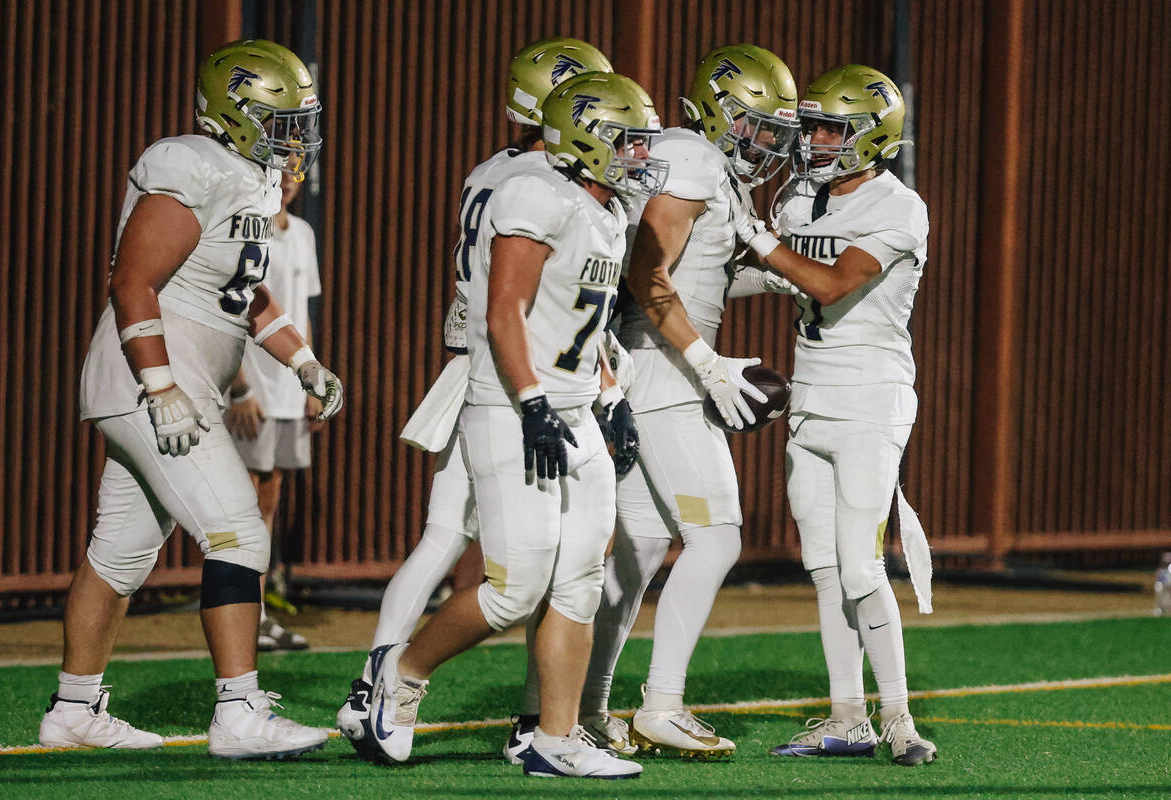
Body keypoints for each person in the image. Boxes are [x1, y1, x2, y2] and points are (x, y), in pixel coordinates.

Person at [337, 71, 666, 779]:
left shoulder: (604, 210)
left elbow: (585, 324)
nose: (641, 157)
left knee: (579, 579)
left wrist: (613, 398)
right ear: (584, 136)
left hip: (574, 405)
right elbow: (504, 308)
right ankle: (399, 677)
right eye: (629, 142)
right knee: (515, 586)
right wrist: (532, 400)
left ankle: (556, 736)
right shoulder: (533, 193)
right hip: (512, 407)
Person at [40, 40, 344, 760]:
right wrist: (161, 385)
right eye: (281, 118)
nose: (295, 135)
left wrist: (303, 360)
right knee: (238, 530)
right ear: (234, 111)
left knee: (119, 557)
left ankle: (74, 708)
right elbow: (131, 281)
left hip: (176, 379)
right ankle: (238, 711)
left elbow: (242, 292)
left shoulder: (252, 180)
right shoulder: (190, 162)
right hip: (152, 378)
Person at [576, 44, 798, 758]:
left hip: (650, 368)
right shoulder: (692, 158)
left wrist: (769, 282)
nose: (766, 142)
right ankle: (661, 704)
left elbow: (691, 280)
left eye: (774, 130)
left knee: (639, 548)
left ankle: (587, 707)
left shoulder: (710, 171)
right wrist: (708, 364)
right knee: (719, 535)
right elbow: (646, 272)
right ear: (716, 108)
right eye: (756, 124)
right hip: (663, 373)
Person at [742, 64, 937, 766]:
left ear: (872, 135)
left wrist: (756, 238)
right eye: (814, 126)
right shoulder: (800, 200)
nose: (817, 140)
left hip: (869, 400)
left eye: (833, 128)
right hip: (812, 397)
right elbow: (771, 274)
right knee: (823, 566)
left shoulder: (897, 205)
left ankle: (900, 720)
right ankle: (846, 717)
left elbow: (826, 281)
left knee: (859, 566)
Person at [224, 169, 323, 652]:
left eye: (296, 171)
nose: (287, 180)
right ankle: (240, 619)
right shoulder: (244, 229)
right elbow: (232, 312)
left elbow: (300, 315)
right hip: (252, 393)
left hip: (288, 391)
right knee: (240, 510)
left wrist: (312, 382)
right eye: (279, 169)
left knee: (268, 506)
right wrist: (238, 389)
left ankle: (258, 618)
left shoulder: (302, 234)